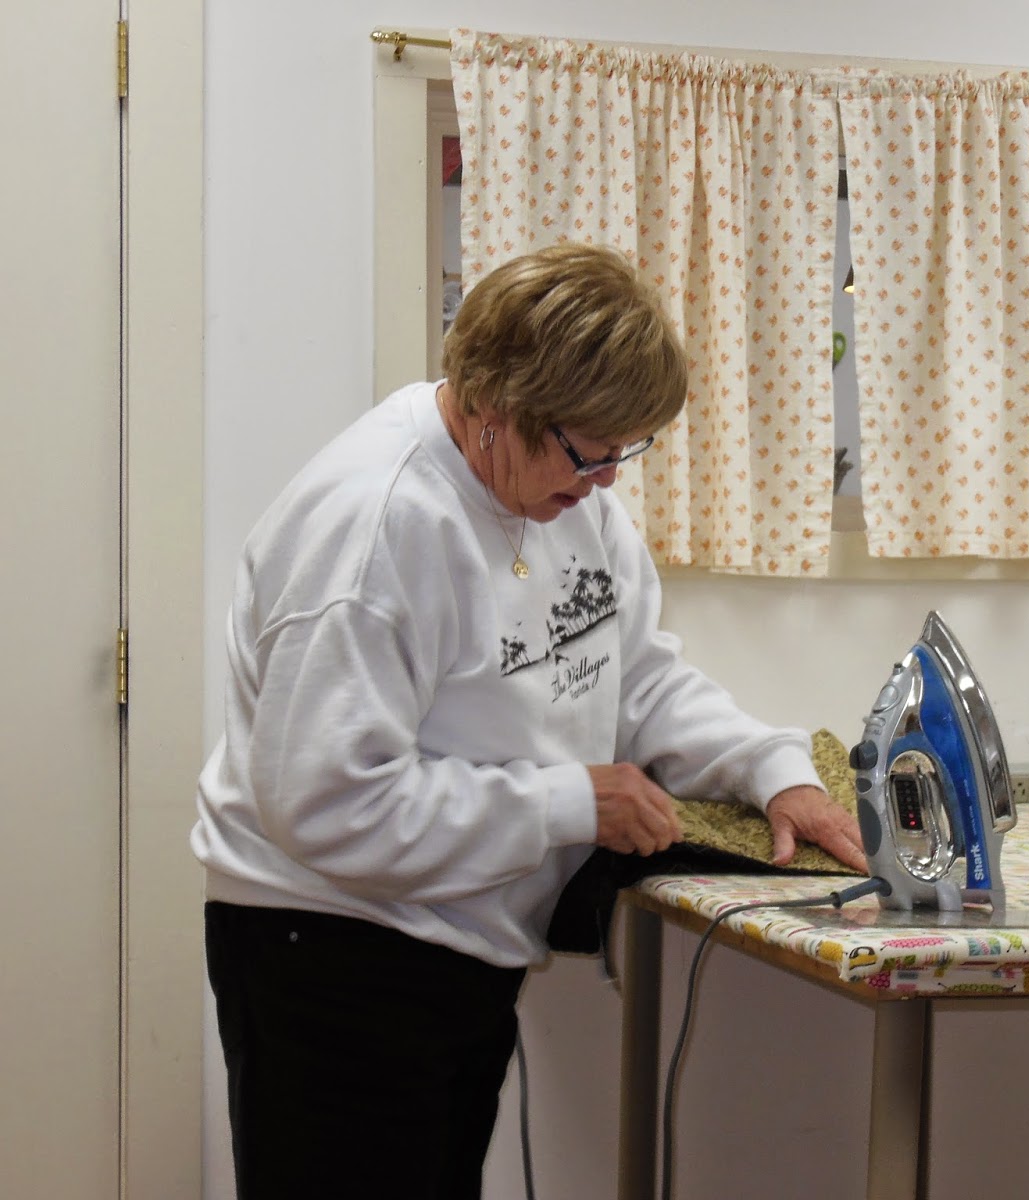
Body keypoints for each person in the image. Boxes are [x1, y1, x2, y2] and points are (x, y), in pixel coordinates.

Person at [192, 242, 867, 1199]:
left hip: (456, 940)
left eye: (623, 453)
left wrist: (769, 768)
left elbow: (628, 675)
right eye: (590, 454)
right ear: (493, 412)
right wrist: (567, 803)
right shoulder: (375, 530)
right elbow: (326, 802)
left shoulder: (563, 498)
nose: (606, 484)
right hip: (332, 952)